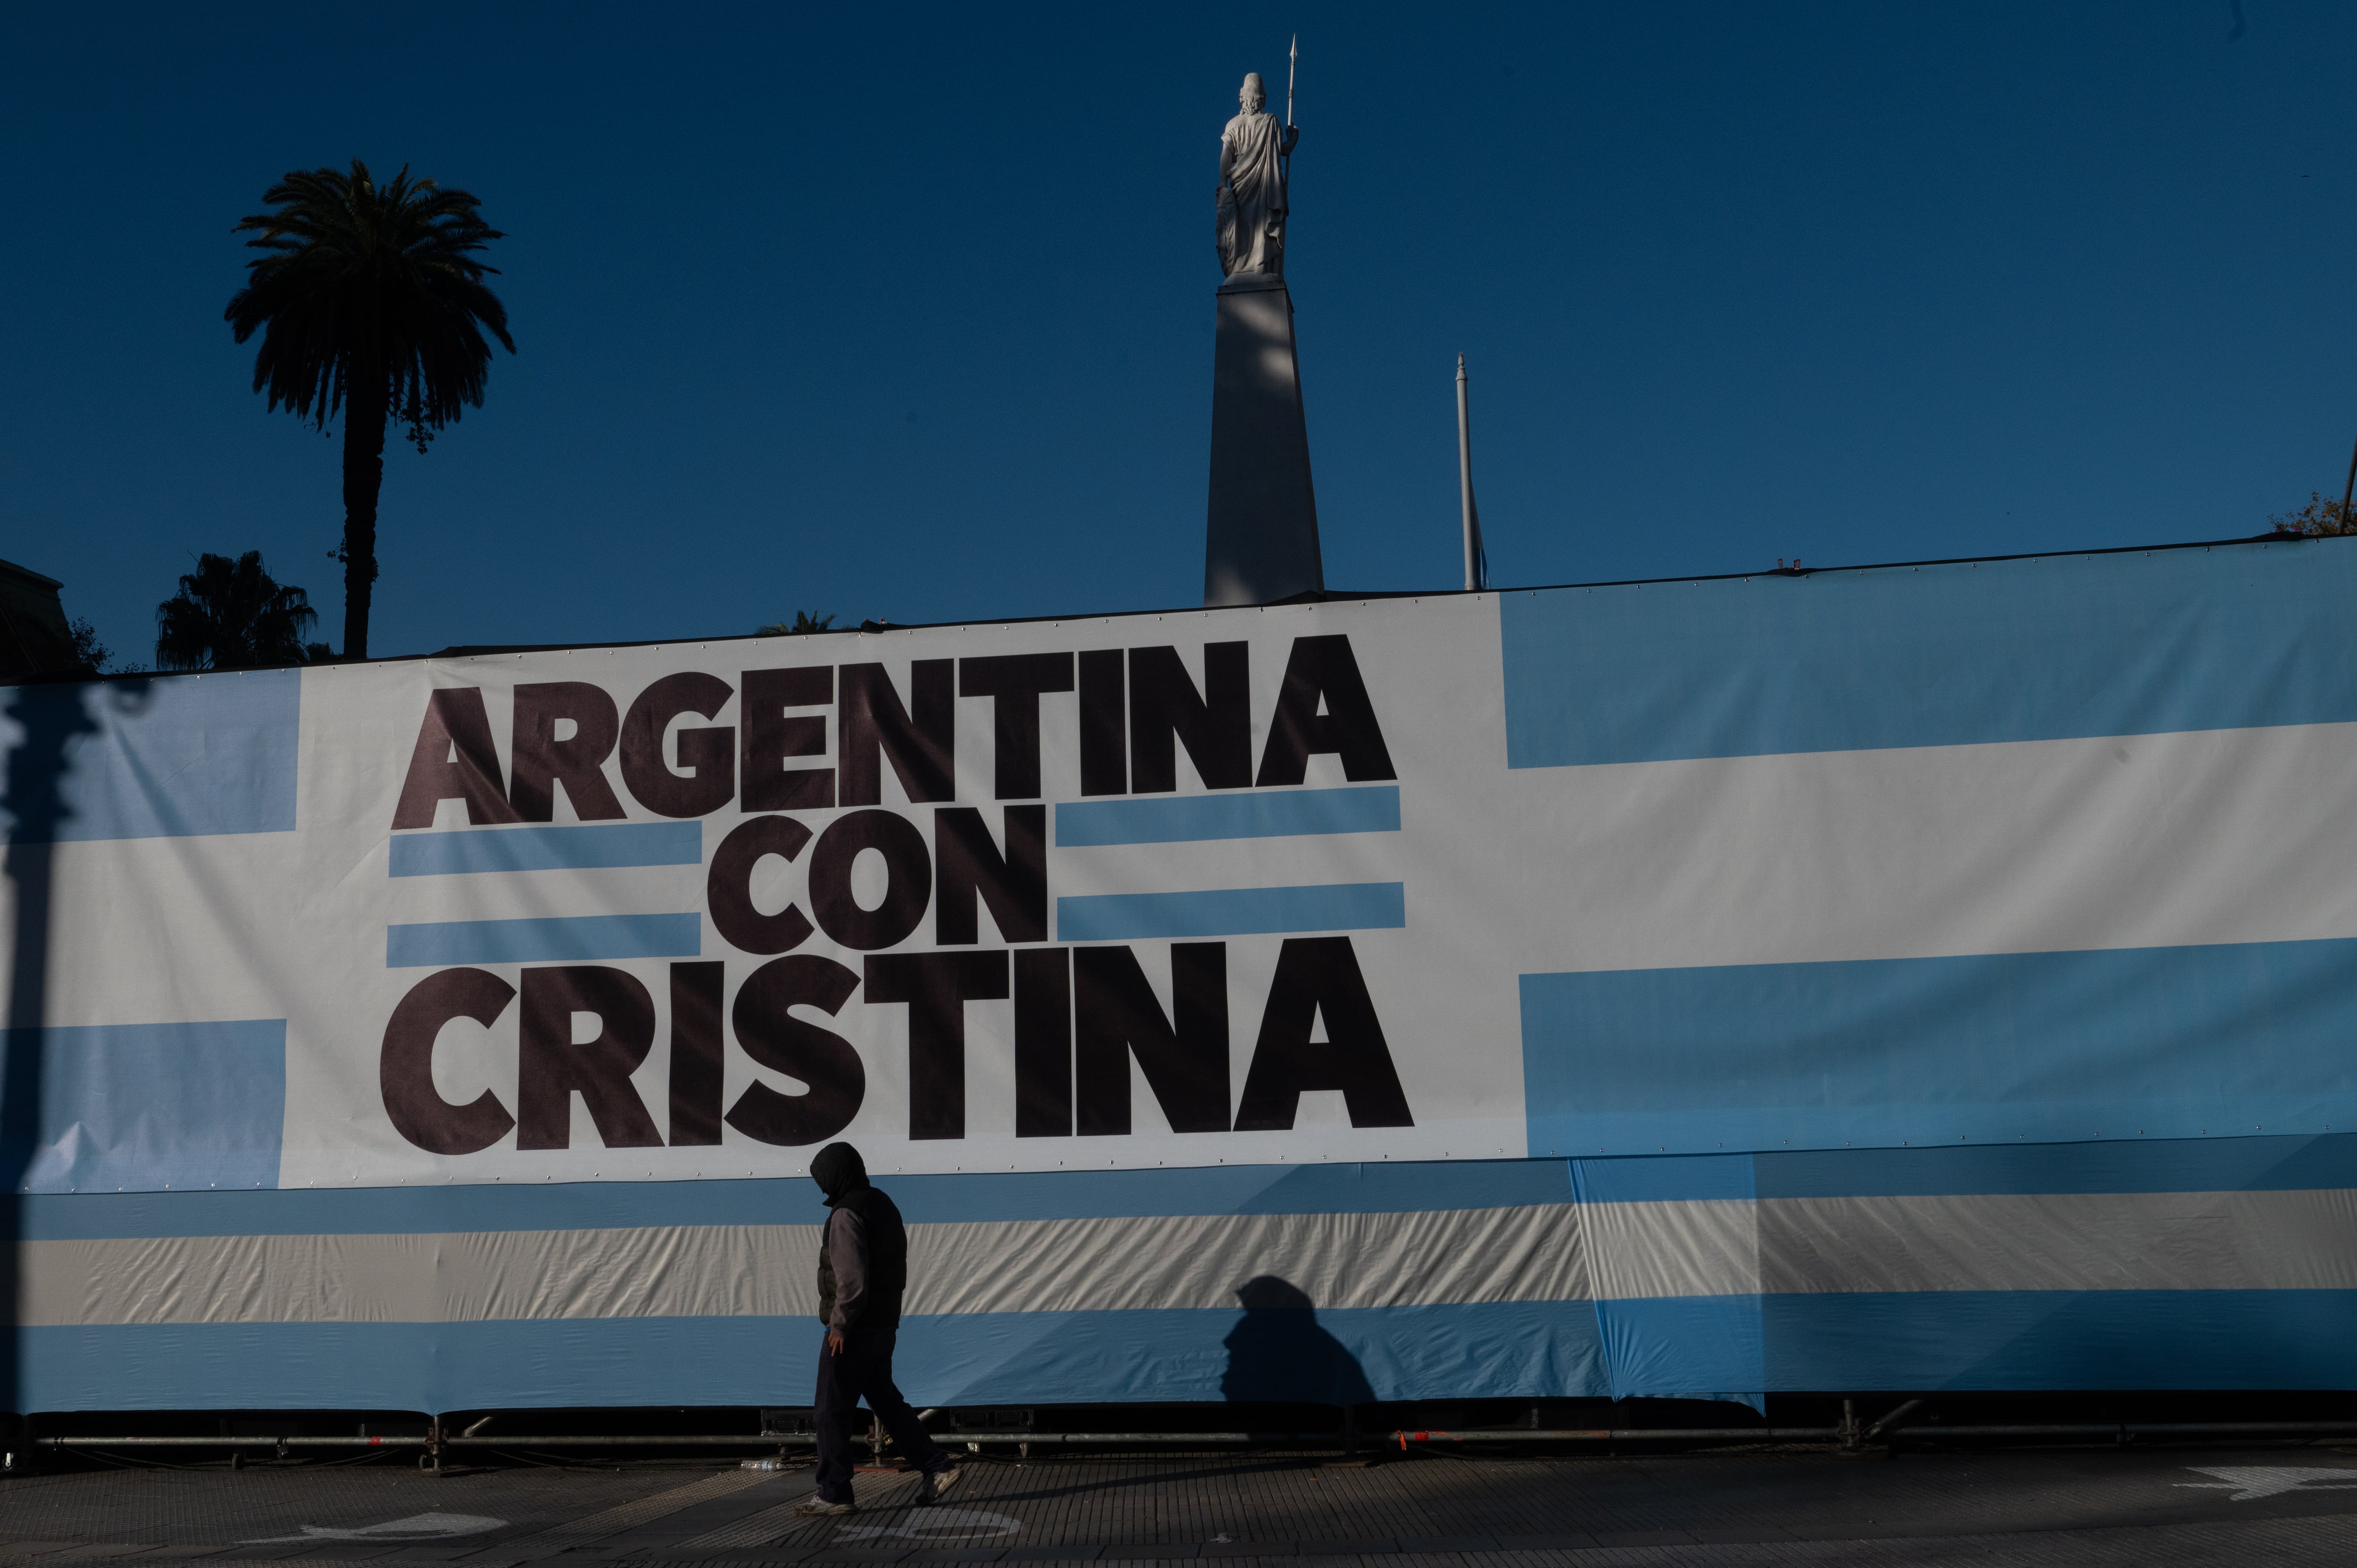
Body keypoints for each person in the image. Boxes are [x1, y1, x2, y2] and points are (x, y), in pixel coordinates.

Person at [793, 1141, 960, 1516]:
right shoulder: (883, 1203)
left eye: (823, 1180)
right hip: (884, 1324)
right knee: (885, 1400)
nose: (822, 1189)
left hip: (853, 1329)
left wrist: (840, 1324)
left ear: (837, 1176)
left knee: (829, 1410)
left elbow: (852, 1279)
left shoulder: (846, 1214)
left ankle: (835, 1492)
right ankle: (937, 1465)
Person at [1216, 71, 1299, 277]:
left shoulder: (1234, 125)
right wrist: (1294, 140)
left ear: (1242, 95)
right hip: (1264, 184)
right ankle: (1260, 268)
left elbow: (1226, 156)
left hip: (1240, 185)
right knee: (1261, 226)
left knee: (1243, 227)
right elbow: (1283, 149)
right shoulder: (1270, 122)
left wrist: (1222, 184)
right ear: (1262, 97)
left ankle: (1240, 269)